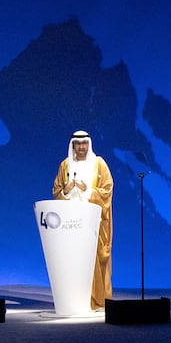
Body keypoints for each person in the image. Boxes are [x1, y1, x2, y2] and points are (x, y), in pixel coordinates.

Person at [52, 130, 113, 309]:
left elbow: (107, 190)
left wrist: (88, 191)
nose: (81, 147)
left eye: (84, 143)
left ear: (89, 144)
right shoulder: (65, 165)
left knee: (96, 260)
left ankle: (97, 302)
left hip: (93, 224)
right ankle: (75, 302)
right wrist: (66, 191)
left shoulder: (99, 164)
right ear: (72, 146)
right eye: (77, 144)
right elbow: (56, 191)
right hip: (70, 224)